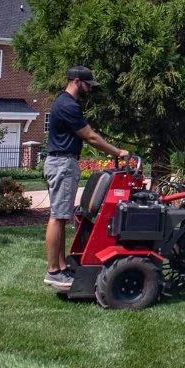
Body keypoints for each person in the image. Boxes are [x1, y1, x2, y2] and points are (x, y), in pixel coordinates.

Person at [43, 65, 128, 288]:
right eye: (88, 84)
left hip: (62, 161)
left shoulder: (65, 103)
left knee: (61, 216)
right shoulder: (68, 105)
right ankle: (53, 271)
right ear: (77, 81)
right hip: (62, 163)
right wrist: (118, 152)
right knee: (57, 216)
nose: (90, 89)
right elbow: (90, 137)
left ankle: (61, 267)